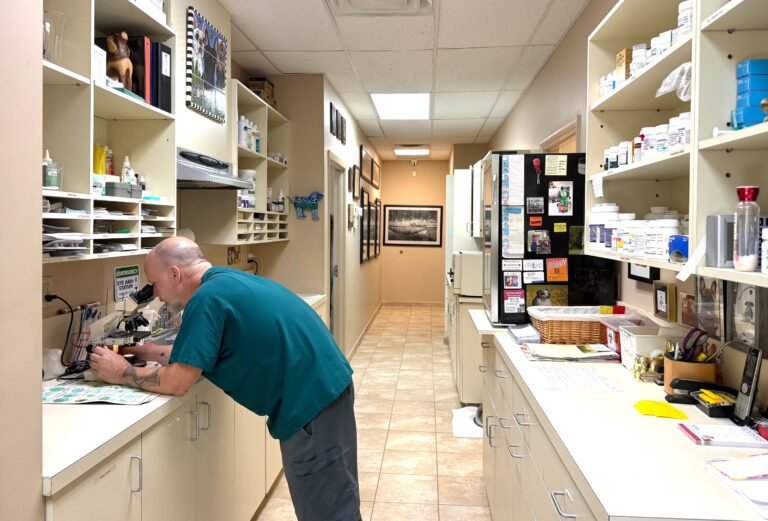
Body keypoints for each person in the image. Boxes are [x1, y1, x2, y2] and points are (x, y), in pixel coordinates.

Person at [89, 237, 361, 521]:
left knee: (328, 511)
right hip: (327, 389)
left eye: (154, 283)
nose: (156, 295)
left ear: (174, 274)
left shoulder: (205, 300)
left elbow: (178, 381)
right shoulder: (224, 282)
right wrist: (141, 351)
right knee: (338, 496)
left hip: (309, 406)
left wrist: (120, 372)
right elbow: (197, 351)